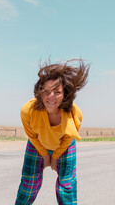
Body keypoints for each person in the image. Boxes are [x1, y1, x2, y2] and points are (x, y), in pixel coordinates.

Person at [15, 58, 90, 205]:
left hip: (64, 145)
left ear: (65, 94)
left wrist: (55, 156)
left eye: (57, 92)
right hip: (37, 144)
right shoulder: (27, 110)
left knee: (67, 186)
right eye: (47, 91)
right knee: (28, 185)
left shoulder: (74, 113)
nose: (51, 97)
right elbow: (32, 136)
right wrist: (44, 154)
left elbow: (69, 138)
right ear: (39, 92)